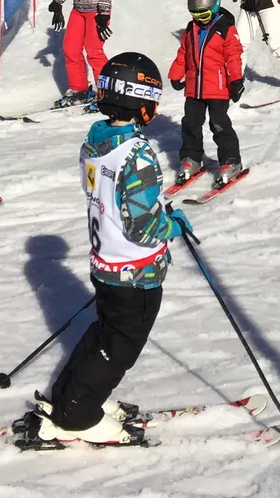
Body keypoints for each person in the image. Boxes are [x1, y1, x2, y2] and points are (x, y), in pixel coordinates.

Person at [28, 52, 192, 446]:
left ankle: (71, 400)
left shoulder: (95, 142)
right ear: (141, 103)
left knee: (104, 334)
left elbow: (112, 196)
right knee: (119, 348)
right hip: (135, 271)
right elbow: (143, 226)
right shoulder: (137, 154)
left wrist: (151, 205)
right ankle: (79, 417)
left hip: (106, 264)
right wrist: (172, 223)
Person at [169, 0, 245, 189]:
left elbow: (233, 56)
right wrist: (176, 75)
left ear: (215, 7)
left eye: (203, 15)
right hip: (194, 88)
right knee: (190, 124)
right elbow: (183, 53)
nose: (199, 19)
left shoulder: (226, 29)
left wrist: (236, 80)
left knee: (219, 125)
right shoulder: (190, 29)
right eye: (195, 14)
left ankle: (231, 161)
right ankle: (191, 158)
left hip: (218, 88)